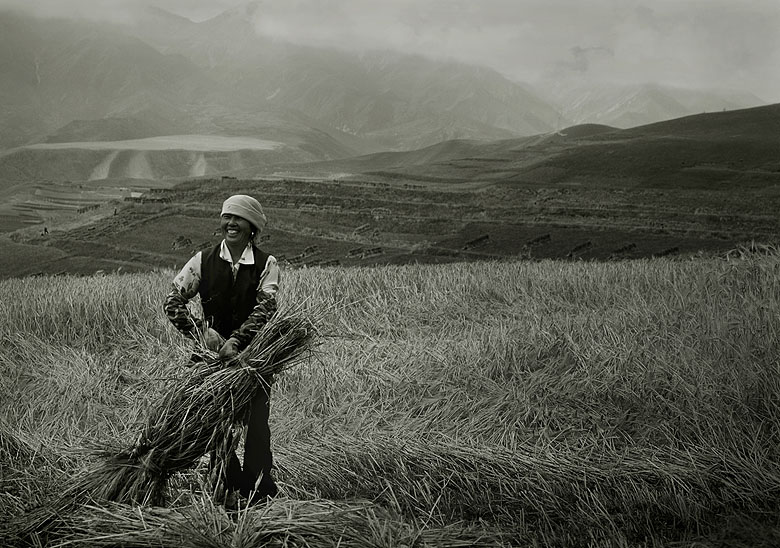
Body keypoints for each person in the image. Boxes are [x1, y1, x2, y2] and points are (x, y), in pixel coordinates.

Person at [163, 194, 280, 505]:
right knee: (216, 428)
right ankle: (225, 490)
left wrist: (237, 341)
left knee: (256, 427)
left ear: (252, 226)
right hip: (210, 363)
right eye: (226, 217)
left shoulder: (266, 264)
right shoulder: (202, 260)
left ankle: (258, 493)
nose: (230, 223)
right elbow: (172, 301)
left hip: (252, 361)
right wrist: (203, 333)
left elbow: (266, 308)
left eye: (238, 218)